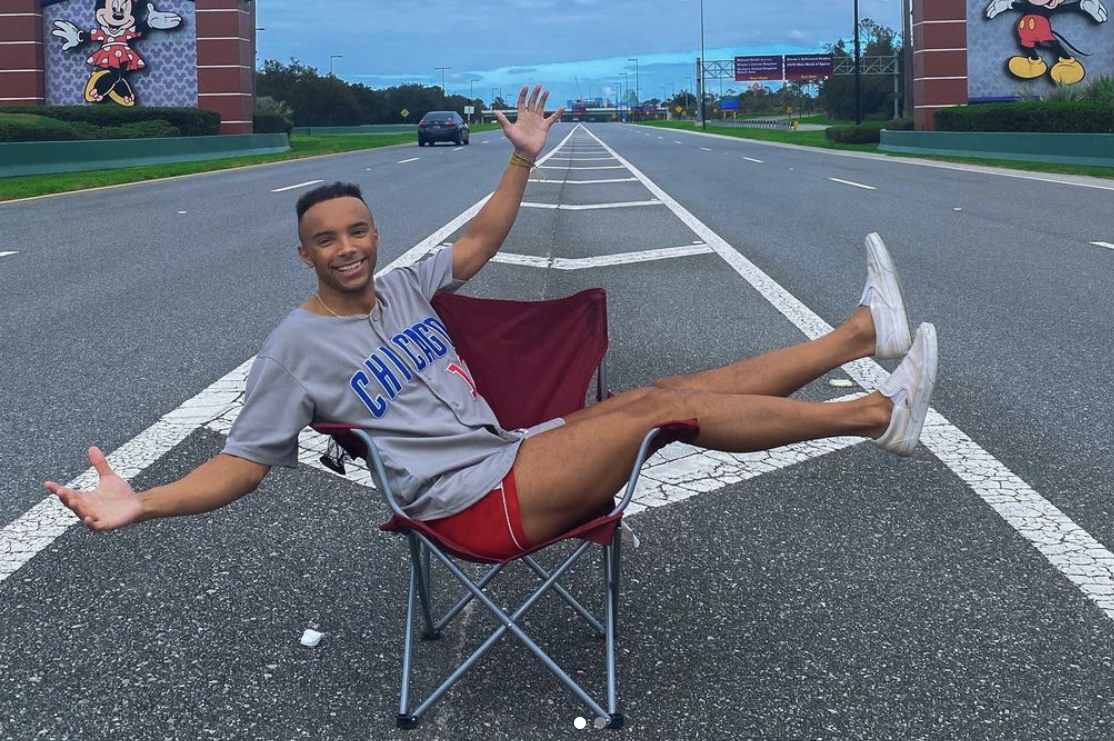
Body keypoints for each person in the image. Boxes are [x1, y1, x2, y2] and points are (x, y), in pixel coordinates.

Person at [45, 84, 937, 561]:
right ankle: (874, 415)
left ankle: (860, 337)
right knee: (652, 412)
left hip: (511, 453)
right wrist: (144, 503)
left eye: (357, 231)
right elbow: (243, 465)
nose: (348, 248)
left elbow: (475, 241)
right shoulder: (293, 349)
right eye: (327, 241)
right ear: (306, 256)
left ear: (373, 234)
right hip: (473, 508)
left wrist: (522, 162)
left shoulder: (400, 289)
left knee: (662, 393)